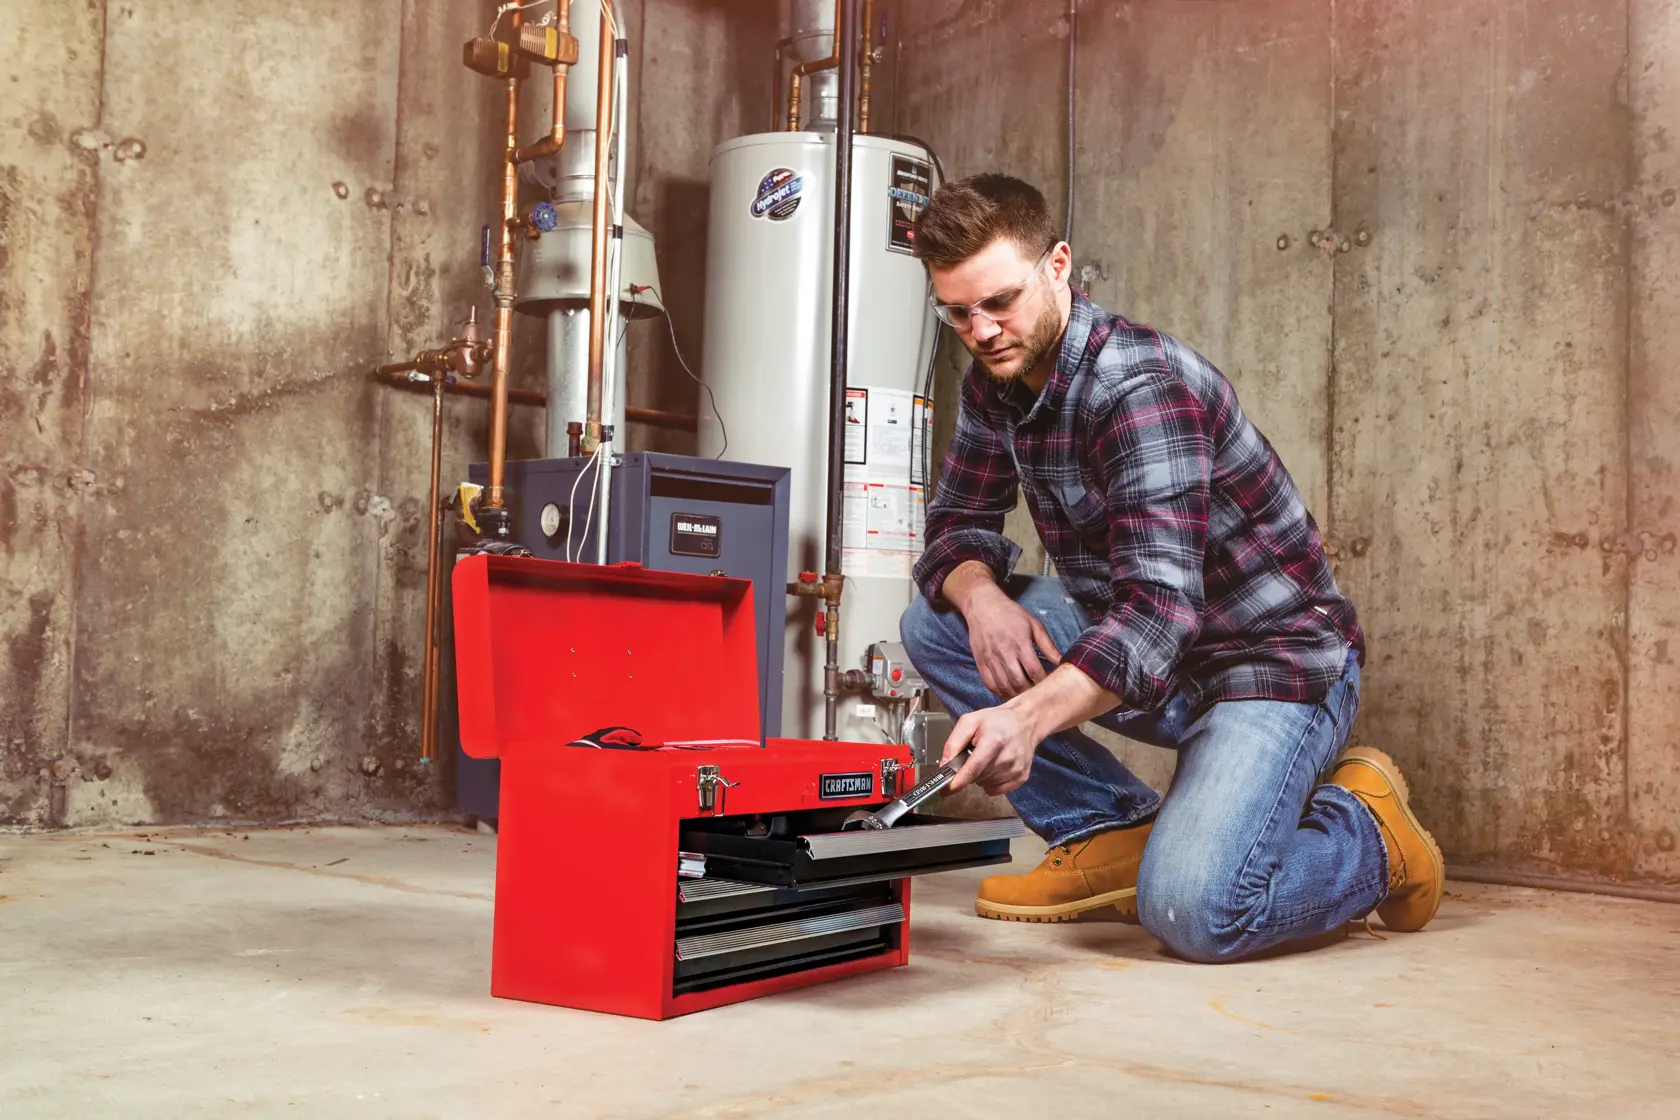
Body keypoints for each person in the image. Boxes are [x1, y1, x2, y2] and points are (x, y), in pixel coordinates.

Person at [899, 173, 1443, 962]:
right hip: (1158, 657)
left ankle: (1369, 834)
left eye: (1000, 301)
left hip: (1267, 667)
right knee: (939, 619)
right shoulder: (1001, 376)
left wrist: (1026, 718)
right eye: (958, 312)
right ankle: (1109, 832)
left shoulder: (1138, 387)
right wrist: (982, 601)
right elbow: (955, 526)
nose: (981, 331)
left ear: (1058, 266)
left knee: (1198, 912)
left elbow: (1157, 613)